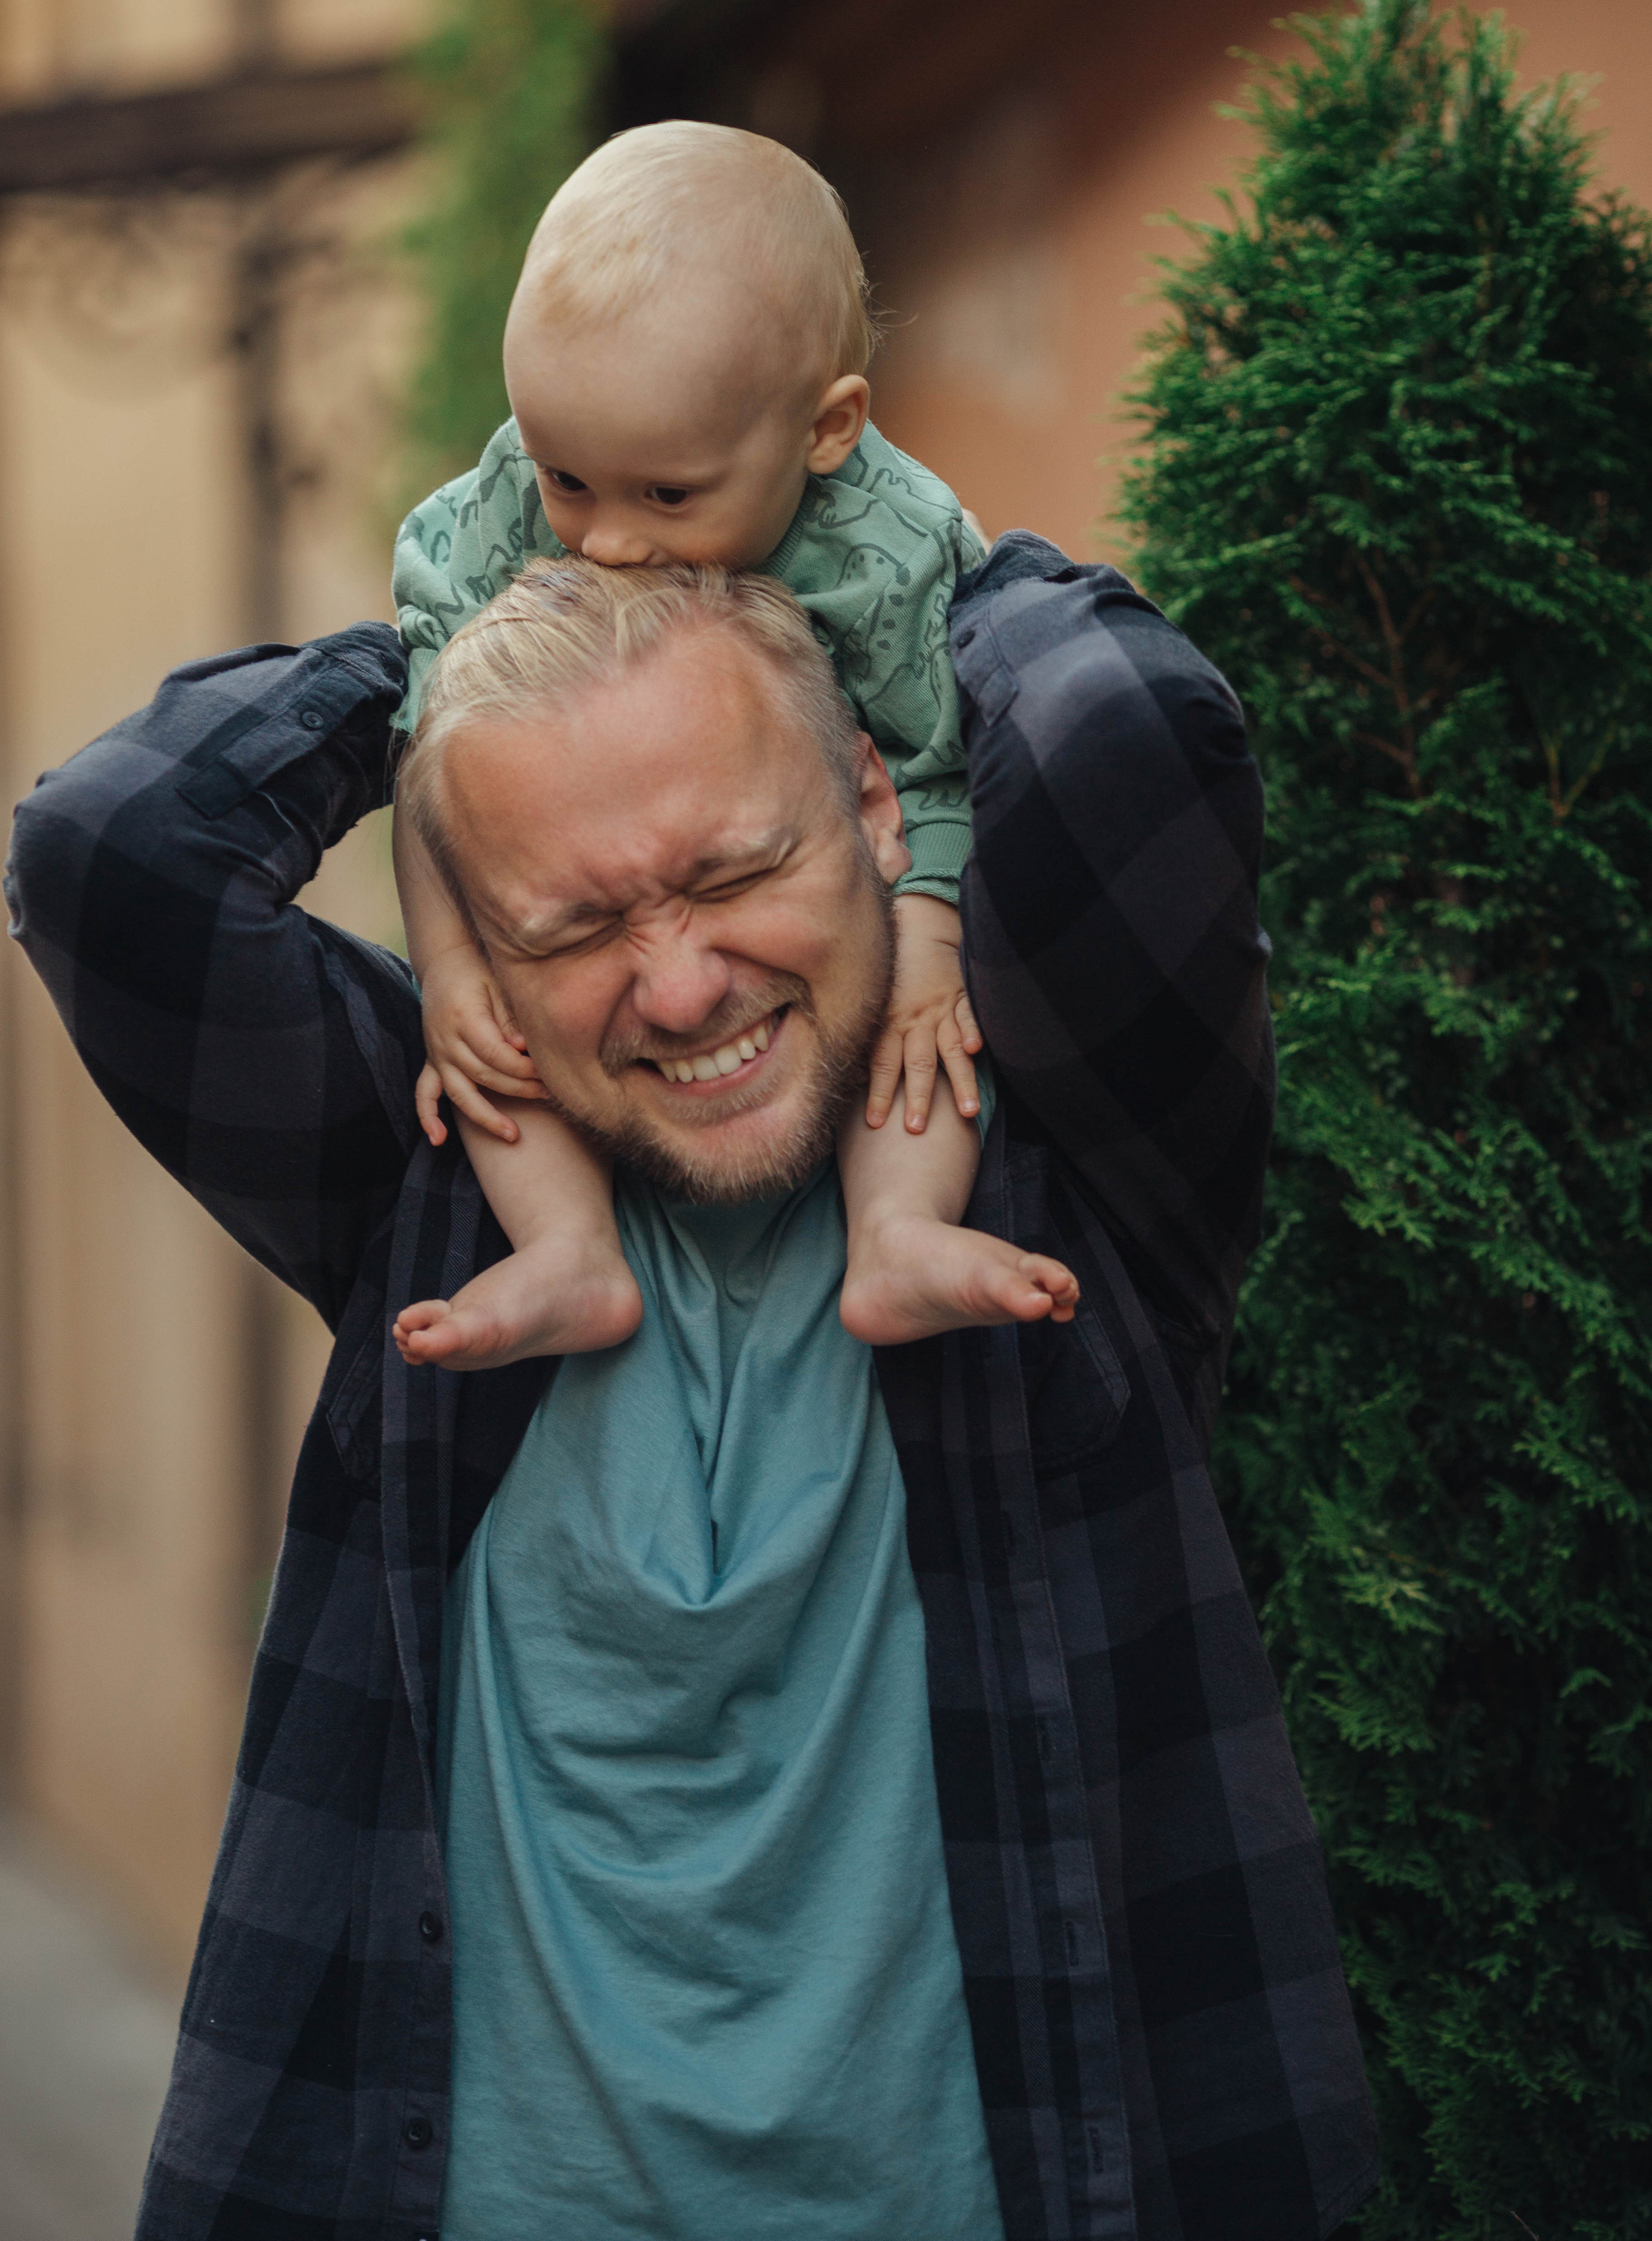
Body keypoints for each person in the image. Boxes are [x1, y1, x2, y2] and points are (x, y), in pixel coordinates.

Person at [5, 534, 1380, 2238]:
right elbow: (110, 853)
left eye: (733, 871)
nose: (677, 986)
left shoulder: (1069, 1181)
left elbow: (1123, 730)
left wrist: (840, 538)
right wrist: (444, 642)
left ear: (874, 800)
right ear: (475, 952)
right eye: (569, 924)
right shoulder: (437, 1188)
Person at [388, 119, 1080, 1372]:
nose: (605, 539)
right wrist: (447, 969)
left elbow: (938, 763)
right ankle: (564, 1249)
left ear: (825, 429)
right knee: (508, 1026)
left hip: (879, 873)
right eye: (566, 481)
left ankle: (899, 1232)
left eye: (665, 496)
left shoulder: (891, 556)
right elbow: (436, 772)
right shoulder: (509, 501)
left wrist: (931, 945)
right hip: (544, 834)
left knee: (906, 1024)